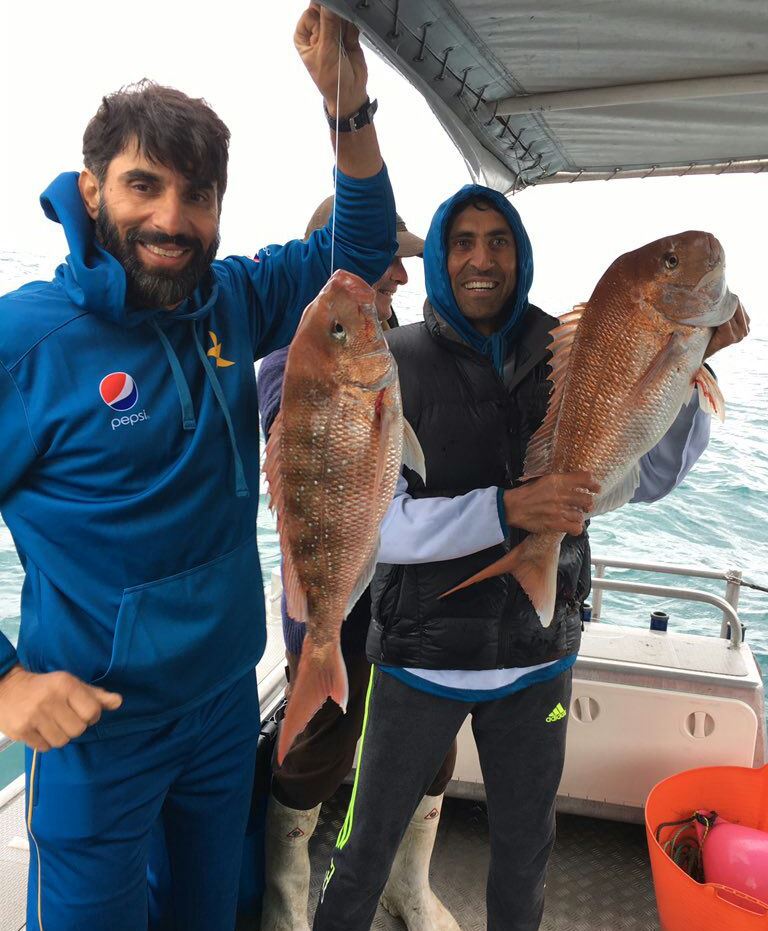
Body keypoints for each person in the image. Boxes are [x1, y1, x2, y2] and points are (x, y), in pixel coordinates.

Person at [0, 7, 399, 930]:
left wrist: (344, 100)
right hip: (101, 726)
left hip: (224, 699)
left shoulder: (229, 301)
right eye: (144, 187)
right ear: (92, 190)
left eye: (197, 196)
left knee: (209, 914)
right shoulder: (28, 343)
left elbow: (364, 247)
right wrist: (8, 683)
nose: (172, 221)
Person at [312, 185, 751, 931]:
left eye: (498, 241)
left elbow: (639, 479)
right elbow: (376, 528)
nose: (482, 258)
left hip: (536, 658)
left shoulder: (565, 344)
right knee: (361, 854)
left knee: (524, 862)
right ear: (444, 258)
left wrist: (687, 370)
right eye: (463, 241)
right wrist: (505, 512)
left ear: (519, 254)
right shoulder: (397, 363)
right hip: (419, 660)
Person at [257, 196, 460, 931]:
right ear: (336, 267)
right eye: (388, 259)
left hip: (421, 602)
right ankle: (285, 906)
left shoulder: (401, 346)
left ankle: (408, 885)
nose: (405, 273)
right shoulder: (302, 355)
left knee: (433, 746)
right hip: (333, 594)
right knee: (318, 745)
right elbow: (303, 434)